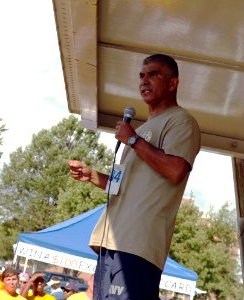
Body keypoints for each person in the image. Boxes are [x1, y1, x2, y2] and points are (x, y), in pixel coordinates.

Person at [68, 53, 201, 299]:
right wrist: (92, 176)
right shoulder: (140, 129)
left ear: (173, 83)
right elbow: (121, 185)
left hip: (138, 247)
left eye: (153, 74)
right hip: (111, 243)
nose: (144, 81)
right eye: (141, 75)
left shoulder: (181, 121)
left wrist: (132, 140)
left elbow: (175, 170)